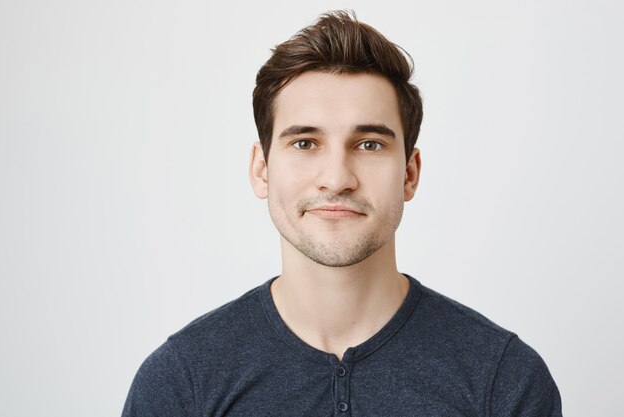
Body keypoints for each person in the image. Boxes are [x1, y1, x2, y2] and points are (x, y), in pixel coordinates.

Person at [122, 10, 562, 417]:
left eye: (369, 144)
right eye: (305, 143)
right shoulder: (181, 385)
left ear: (409, 174)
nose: (336, 178)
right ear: (262, 170)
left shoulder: (504, 382)